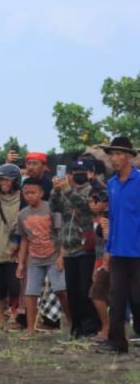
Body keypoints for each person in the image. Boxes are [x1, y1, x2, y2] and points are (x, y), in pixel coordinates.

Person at [52, 157, 106, 338]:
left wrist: (66, 189)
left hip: (86, 247)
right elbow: (55, 208)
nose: (77, 175)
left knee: (85, 289)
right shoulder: (68, 191)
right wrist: (55, 190)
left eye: (82, 172)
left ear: (91, 173)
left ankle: (91, 326)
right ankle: (77, 328)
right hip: (68, 248)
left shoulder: (96, 191)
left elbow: (85, 207)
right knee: (73, 291)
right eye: (74, 172)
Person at [98, 137, 140, 355]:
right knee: (116, 298)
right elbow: (112, 218)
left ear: (129, 157)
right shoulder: (112, 184)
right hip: (118, 251)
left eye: (119, 154)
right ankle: (117, 343)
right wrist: (108, 249)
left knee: (137, 297)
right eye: (112, 154)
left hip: (138, 251)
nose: (114, 158)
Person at [16, 179, 67, 337]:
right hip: (34, 258)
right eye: (26, 193)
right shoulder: (22, 214)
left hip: (53, 256)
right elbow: (24, 239)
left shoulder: (51, 209)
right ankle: (31, 328)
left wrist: (61, 256)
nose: (29, 196)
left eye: (32, 193)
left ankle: (70, 320)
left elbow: (61, 233)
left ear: (41, 193)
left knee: (61, 290)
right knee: (30, 294)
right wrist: (21, 263)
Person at [0, 164, 23, 325]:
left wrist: (18, 243)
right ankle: (1, 318)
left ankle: (16, 316)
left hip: (16, 251)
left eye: (7, 180)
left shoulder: (23, 200)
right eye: (1, 180)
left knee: (16, 288)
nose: (4, 183)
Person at [89, 191, 110, 342]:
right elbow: (99, 247)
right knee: (97, 293)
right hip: (103, 260)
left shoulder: (111, 216)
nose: (94, 204)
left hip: (115, 259)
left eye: (97, 201)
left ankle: (108, 328)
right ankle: (107, 327)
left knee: (98, 293)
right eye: (91, 201)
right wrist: (97, 265)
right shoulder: (98, 220)